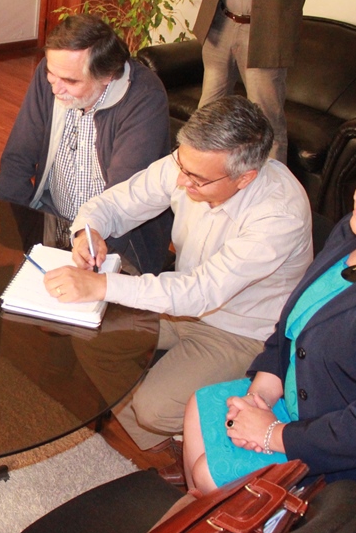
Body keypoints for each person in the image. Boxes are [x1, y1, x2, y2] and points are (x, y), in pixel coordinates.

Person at [182, 119, 356, 532]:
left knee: (210, 476)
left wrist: (274, 434)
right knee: (201, 407)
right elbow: (290, 328)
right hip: (304, 402)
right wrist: (261, 394)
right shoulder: (353, 232)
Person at [45, 95, 312, 463]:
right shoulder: (194, 163)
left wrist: (102, 286)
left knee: (152, 408)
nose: (182, 180)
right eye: (181, 165)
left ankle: (196, 424)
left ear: (245, 178)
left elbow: (202, 291)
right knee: (87, 335)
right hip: (178, 304)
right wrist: (87, 231)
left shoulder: (279, 214)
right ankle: (162, 438)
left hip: (242, 331)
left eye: (196, 178)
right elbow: (120, 201)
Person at [0, 13, 173, 274]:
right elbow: (17, 158)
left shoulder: (144, 97)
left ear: (107, 76)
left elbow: (122, 200)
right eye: (51, 75)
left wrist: (89, 255)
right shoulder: (56, 73)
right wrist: (14, 234)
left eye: (71, 81)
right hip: (53, 218)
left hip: (117, 241)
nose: (56, 89)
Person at [192, 0, 338, 164]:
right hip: (221, 22)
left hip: (264, 34)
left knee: (267, 124)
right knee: (207, 113)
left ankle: (274, 188)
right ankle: (198, 175)